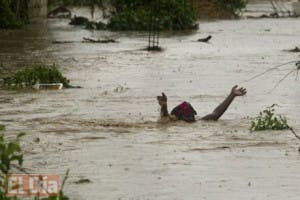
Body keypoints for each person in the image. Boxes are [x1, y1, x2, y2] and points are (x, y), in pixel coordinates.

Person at [157, 85, 247, 122]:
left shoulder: (198, 122)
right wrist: (232, 95)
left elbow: (216, 113)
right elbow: (216, 113)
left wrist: (232, 95)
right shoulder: (198, 123)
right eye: (190, 114)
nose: (192, 116)